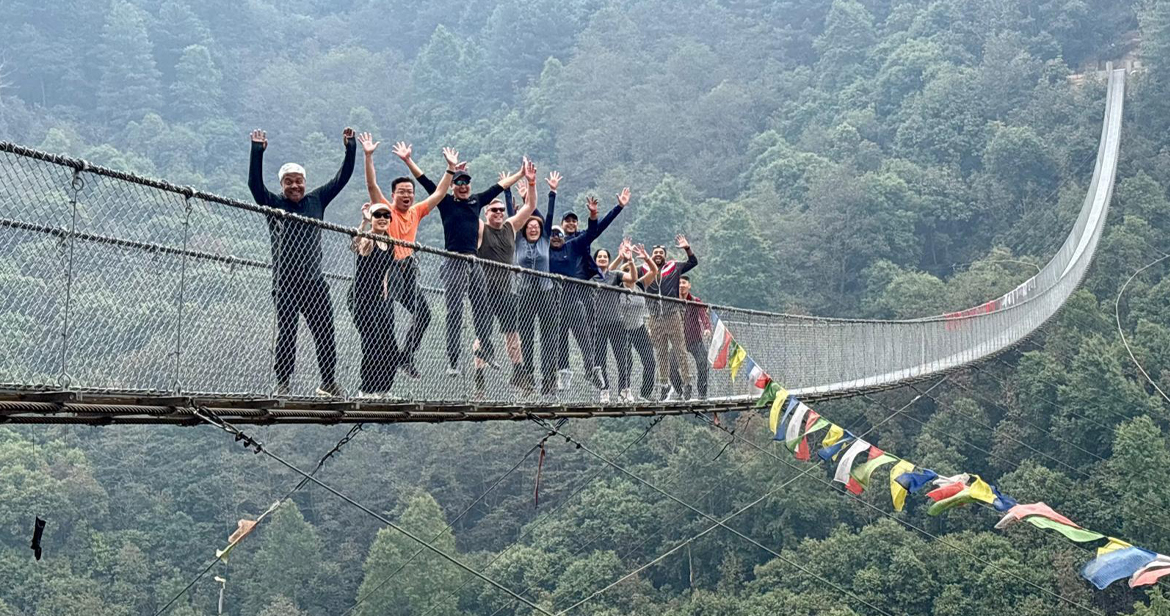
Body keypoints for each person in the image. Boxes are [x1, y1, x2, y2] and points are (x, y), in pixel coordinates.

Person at [393, 142, 526, 376]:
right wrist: (408, 160)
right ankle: (453, 362)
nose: (463, 187)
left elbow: (499, 186)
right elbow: (426, 182)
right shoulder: (445, 202)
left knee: (481, 309)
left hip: (473, 263)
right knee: (454, 311)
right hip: (453, 261)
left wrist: (520, 174)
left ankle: (485, 350)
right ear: (453, 186)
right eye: (459, 183)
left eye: (466, 183)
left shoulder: (476, 201)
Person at [248, 127, 355, 397]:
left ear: (304, 182)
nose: (295, 186)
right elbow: (255, 186)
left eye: (299, 181)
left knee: (326, 333)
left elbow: (341, 179)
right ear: (282, 185)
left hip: (314, 282)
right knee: (287, 334)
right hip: (285, 283)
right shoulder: (272, 203)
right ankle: (283, 384)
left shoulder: (316, 200)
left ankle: (328, 382)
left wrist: (350, 148)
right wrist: (257, 152)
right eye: (289, 182)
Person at [356, 134, 452, 377]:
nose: (407, 195)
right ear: (393, 195)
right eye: (401, 192)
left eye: (410, 191)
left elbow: (439, 194)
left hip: (408, 269)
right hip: (389, 270)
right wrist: (368, 156)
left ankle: (405, 356)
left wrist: (450, 170)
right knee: (386, 315)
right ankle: (383, 362)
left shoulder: (417, 212)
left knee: (424, 313)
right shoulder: (386, 211)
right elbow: (371, 187)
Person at [549, 189, 630, 391]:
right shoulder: (553, 243)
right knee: (560, 332)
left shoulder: (579, 240)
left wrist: (617, 208)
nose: (570, 223)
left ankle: (591, 367)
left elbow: (597, 229)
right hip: (559, 291)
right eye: (567, 221)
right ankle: (564, 371)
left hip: (582, 286)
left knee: (586, 331)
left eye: (574, 221)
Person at [473, 158, 539, 397]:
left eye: (501, 210)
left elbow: (529, 207)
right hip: (483, 291)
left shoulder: (511, 227)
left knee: (513, 334)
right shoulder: (481, 228)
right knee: (483, 336)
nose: (499, 213)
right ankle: (479, 380)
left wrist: (531, 183)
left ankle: (519, 374)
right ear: (486, 212)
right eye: (494, 210)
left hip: (505, 290)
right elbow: (470, 213)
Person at [514, 172, 562, 398]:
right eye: (529, 225)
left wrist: (552, 192)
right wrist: (511, 194)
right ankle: (528, 380)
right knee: (525, 337)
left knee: (549, 338)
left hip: (546, 292)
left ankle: (549, 381)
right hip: (524, 293)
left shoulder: (544, 239)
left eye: (536, 225)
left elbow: (550, 216)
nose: (533, 228)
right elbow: (511, 223)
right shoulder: (518, 240)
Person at [594, 238, 658, 402]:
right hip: (621, 328)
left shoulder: (640, 286)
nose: (629, 273)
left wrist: (643, 258)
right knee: (623, 361)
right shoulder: (616, 285)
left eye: (631, 270)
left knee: (649, 361)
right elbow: (606, 274)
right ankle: (611, 391)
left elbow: (654, 271)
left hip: (638, 327)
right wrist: (621, 257)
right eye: (626, 271)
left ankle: (643, 393)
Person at [644, 235, 699, 400]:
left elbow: (693, 262)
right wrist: (627, 257)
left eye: (661, 252)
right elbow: (629, 276)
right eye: (655, 253)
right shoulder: (645, 269)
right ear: (651, 255)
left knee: (680, 350)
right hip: (654, 316)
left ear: (665, 255)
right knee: (660, 352)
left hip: (672, 314)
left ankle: (687, 382)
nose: (658, 255)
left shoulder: (673, 267)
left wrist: (687, 248)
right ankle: (663, 384)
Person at [670, 275, 712, 399]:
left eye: (684, 283)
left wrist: (707, 328)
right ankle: (681, 390)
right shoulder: (672, 300)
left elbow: (703, 314)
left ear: (689, 285)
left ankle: (702, 394)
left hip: (695, 340)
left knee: (702, 364)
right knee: (671, 367)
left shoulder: (695, 300)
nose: (681, 285)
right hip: (678, 341)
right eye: (679, 283)